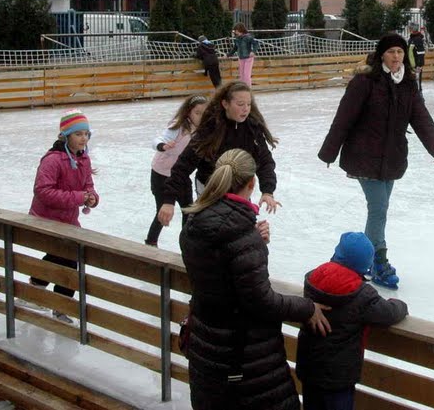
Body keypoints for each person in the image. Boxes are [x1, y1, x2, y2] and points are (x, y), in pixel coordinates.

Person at [179, 148, 330, 410]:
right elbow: (261, 301)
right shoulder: (239, 235)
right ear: (252, 183)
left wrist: (253, 240)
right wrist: (307, 307)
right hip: (246, 362)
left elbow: (219, 270)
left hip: (207, 352)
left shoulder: (195, 222)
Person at [318, 33, 434, 289]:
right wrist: (329, 151)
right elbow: (344, 117)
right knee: (378, 209)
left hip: (392, 157)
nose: (396, 57)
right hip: (364, 156)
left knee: (380, 210)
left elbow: (420, 117)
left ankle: (364, 259)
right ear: (381, 55)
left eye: (400, 52)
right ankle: (379, 261)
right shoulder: (365, 82)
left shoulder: (407, 83)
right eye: (391, 52)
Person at [296, 232, 408, 410]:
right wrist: (399, 304)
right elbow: (389, 314)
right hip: (339, 379)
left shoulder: (313, 279)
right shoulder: (362, 296)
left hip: (309, 369)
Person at [157, 81, 281, 229]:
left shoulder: (252, 129)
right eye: (240, 104)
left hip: (239, 189)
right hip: (210, 189)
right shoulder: (210, 129)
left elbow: (265, 161)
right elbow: (182, 166)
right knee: (210, 228)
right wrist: (168, 201)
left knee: (237, 228)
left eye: (248, 104)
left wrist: (268, 191)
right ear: (225, 104)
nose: (246, 109)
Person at [27, 109, 100, 324]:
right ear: (66, 135)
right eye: (78, 134)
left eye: (86, 134)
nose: (83, 139)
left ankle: (41, 292)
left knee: (68, 257)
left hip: (67, 221)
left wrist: (92, 198)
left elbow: (88, 186)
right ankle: (49, 299)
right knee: (66, 257)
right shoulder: (52, 160)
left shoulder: (83, 159)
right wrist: (79, 197)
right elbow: (43, 191)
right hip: (45, 219)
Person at [145, 95, 208, 246]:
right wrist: (163, 146)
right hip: (162, 174)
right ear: (188, 113)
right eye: (197, 113)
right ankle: (151, 242)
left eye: (204, 113)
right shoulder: (179, 126)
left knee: (189, 211)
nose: (201, 117)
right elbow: (157, 140)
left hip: (181, 175)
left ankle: (186, 244)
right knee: (163, 211)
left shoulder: (204, 131)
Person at [228, 23, 260, 87]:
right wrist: (228, 55)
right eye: (235, 31)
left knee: (246, 75)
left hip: (248, 58)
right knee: (242, 75)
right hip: (241, 58)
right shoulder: (237, 39)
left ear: (241, 30)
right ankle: (242, 88)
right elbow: (235, 48)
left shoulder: (248, 37)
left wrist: (253, 51)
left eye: (236, 30)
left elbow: (256, 44)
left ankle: (248, 89)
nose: (236, 32)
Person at [406, 24, 426, 93]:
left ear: (412, 30)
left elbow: (421, 52)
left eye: (409, 29)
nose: (408, 30)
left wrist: (419, 65)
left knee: (417, 84)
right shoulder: (411, 39)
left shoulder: (417, 39)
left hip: (416, 65)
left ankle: (419, 97)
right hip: (411, 64)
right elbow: (409, 51)